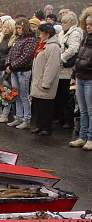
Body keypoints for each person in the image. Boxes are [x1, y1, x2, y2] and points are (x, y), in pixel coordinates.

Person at [29, 23, 61, 136]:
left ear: (47, 34)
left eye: (41, 33)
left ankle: (46, 128)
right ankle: (39, 125)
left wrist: (46, 82)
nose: (39, 35)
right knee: (38, 105)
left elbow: (52, 66)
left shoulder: (54, 47)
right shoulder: (43, 44)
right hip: (38, 80)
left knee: (46, 106)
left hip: (44, 81)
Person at [6, 18, 37, 129]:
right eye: (17, 28)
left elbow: (26, 56)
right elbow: (11, 52)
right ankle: (18, 117)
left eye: (20, 28)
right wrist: (8, 64)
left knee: (24, 96)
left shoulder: (31, 40)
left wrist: (12, 65)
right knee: (16, 95)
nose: (18, 30)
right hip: (14, 71)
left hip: (23, 71)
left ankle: (26, 119)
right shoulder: (18, 39)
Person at [69, 9, 92, 150]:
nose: (88, 27)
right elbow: (78, 58)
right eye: (87, 24)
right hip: (80, 77)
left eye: (91, 24)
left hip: (90, 78)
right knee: (82, 110)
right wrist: (73, 75)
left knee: (90, 110)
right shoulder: (85, 38)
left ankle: (90, 138)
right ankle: (82, 136)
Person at [55, 12, 82, 129]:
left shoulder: (75, 33)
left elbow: (73, 49)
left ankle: (68, 120)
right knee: (60, 94)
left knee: (68, 96)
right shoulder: (61, 33)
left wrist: (61, 57)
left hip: (68, 69)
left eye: (64, 22)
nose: (62, 24)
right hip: (60, 70)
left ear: (71, 22)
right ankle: (60, 118)